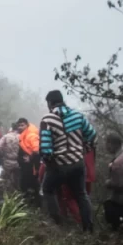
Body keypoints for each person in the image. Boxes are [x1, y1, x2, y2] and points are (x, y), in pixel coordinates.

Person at [39, 90, 96, 232]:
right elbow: (92, 135)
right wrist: (83, 150)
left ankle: (58, 224)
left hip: (59, 165)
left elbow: (45, 148)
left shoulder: (48, 119)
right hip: (78, 163)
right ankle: (88, 228)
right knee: (81, 194)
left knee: (48, 189)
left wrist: (50, 162)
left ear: (50, 103)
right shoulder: (78, 116)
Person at [16, 117, 41, 205]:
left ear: (27, 125)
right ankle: (29, 201)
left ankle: (36, 203)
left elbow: (36, 150)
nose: (20, 127)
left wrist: (30, 158)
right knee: (25, 183)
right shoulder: (24, 135)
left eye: (22, 125)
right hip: (26, 166)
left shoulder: (31, 135)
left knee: (32, 184)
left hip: (31, 166)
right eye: (18, 126)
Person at [0, 123, 20, 190]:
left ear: (11, 128)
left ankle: (6, 194)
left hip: (7, 160)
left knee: (6, 178)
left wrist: (2, 153)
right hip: (18, 161)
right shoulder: (21, 136)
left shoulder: (6, 136)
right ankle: (16, 193)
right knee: (17, 178)